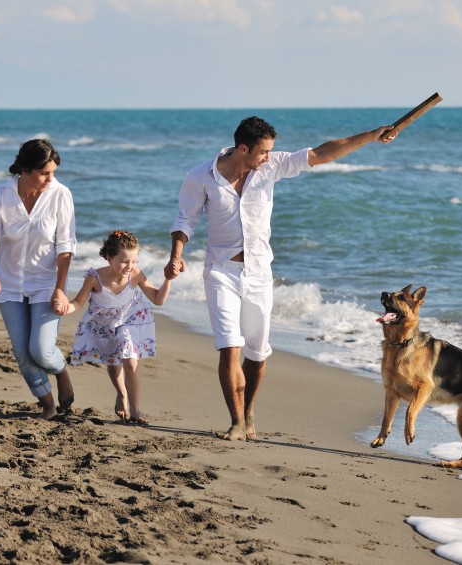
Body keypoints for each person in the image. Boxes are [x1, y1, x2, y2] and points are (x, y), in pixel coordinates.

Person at [164, 116, 396, 441]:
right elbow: (185, 219)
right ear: (243, 148)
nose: (268, 157)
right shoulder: (201, 176)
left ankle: (248, 411)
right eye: (262, 152)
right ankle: (235, 422)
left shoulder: (271, 167)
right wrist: (176, 255)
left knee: (257, 354)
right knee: (229, 347)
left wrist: (371, 135)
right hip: (221, 271)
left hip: (259, 273)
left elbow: (323, 153)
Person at [0, 138, 76, 420]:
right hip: (7, 282)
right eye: (44, 173)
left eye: (53, 173)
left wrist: (60, 289)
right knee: (23, 352)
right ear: (25, 169)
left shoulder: (60, 194)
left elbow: (65, 246)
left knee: (42, 350)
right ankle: (47, 405)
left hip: (46, 282)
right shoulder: (0, 194)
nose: (50, 179)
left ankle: (60, 370)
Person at [54, 230, 171, 425]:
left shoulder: (135, 275)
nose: (130, 266)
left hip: (130, 320)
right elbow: (77, 302)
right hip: (105, 325)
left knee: (130, 358)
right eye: (124, 261)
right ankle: (121, 394)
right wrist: (65, 308)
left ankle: (135, 410)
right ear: (109, 258)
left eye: (134, 261)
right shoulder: (94, 278)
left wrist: (169, 279)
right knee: (113, 363)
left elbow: (158, 299)